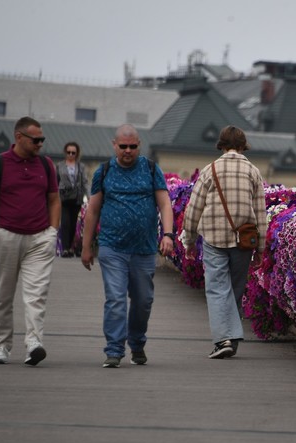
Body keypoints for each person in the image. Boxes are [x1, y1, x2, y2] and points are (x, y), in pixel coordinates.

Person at [81, 124, 174, 368]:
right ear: (114, 145)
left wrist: (168, 234)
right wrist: (86, 246)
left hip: (144, 248)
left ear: (139, 145)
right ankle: (113, 349)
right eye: (123, 146)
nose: (128, 151)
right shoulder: (104, 171)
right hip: (112, 247)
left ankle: (137, 342)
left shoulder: (151, 169)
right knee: (115, 298)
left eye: (133, 146)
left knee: (143, 300)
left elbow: (164, 204)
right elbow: (92, 210)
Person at [0, 116, 60, 366]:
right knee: (3, 294)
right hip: (7, 236)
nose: (40, 144)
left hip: (40, 238)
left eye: (42, 139)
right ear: (19, 137)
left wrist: (53, 231)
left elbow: (54, 199)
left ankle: (34, 343)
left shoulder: (45, 165)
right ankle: (0, 346)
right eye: (36, 139)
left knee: (37, 295)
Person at [181, 125, 267, 359]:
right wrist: (260, 248)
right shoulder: (253, 171)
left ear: (221, 145)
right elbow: (261, 213)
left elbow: (194, 208)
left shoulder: (210, 170)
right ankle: (232, 339)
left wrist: (188, 240)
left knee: (218, 288)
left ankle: (223, 340)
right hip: (244, 239)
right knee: (236, 289)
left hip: (214, 237)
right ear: (242, 147)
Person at [56, 141, 88, 257]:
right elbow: (56, 181)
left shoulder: (81, 166)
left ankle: (70, 247)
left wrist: (88, 197)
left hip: (76, 198)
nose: (70, 155)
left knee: (73, 223)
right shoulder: (60, 165)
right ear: (65, 152)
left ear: (77, 153)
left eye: (73, 153)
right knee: (65, 222)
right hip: (64, 197)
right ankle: (64, 248)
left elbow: (85, 182)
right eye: (68, 152)